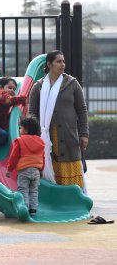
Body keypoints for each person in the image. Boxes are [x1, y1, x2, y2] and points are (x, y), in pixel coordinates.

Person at [29, 50, 89, 190]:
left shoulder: (72, 84)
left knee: (72, 170)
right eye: (58, 61)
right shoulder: (38, 87)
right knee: (50, 172)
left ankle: (75, 203)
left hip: (69, 137)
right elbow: (32, 113)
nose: (62, 64)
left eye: (63, 61)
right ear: (49, 64)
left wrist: (84, 134)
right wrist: (33, 136)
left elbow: (82, 110)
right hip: (46, 139)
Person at [6, 116, 45, 216]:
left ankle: (24, 209)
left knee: (23, 189)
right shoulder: (40, 142)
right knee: (34, 190)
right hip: (36, 170)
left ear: (26, 130)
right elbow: (42, 157)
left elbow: (14, 157)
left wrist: (9, 169)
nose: (19, 130)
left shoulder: (20, 141)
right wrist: (41, 170)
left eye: (21, 128)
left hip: (24, 170)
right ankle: (33, 210)